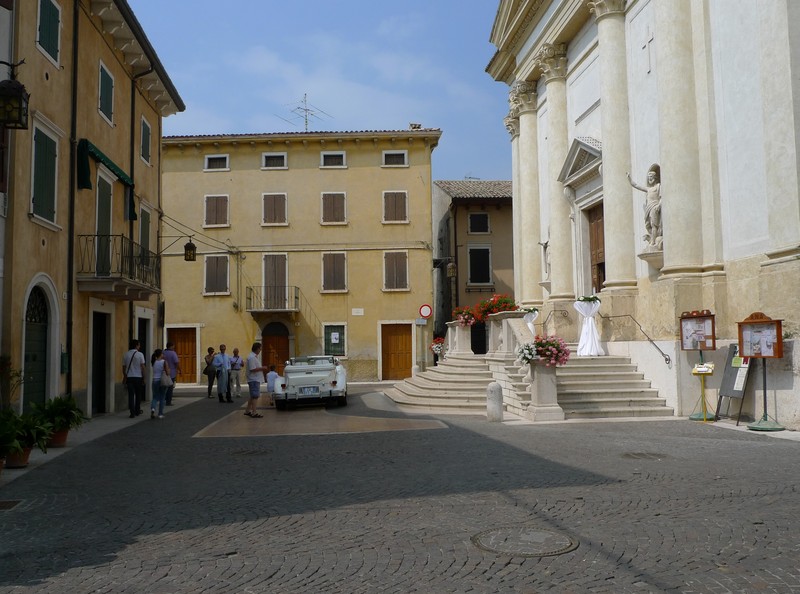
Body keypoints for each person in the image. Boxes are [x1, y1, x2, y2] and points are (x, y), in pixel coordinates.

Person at [627, 164, 662, 250]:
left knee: (654, 224)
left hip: (654, 206)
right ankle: (652, 237)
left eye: (651, 177)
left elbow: (661, 197)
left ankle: (653, 241)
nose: (649, 178)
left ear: (655, 177)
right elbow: (635, 185)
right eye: (648, 177)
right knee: (648, 225)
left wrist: (659, 205)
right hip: (648, 208)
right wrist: (629, 179)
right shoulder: (648, 189)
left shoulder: (658, 186)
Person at [122, 339, 146, 419]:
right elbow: (142, 367)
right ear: (136, 345)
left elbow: (124, 367)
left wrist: (125, 376)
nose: (139, 346)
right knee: (138, 395)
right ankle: (137, 410)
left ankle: (132, 413)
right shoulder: (140, 354)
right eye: (139, 345)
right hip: (138, 377)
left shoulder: (126, 354)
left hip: (129, 377)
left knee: (131, 395)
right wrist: (144, 377)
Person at [244, 343, 268, 418]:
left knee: (252, 396)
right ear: (257, 348)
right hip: (253, 379)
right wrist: (262, 368)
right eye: (260, 348)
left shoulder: (253, 357)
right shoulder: (251, 358)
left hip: (255, 379)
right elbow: (252, 369)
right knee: (255, 396)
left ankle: (247, 410)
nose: (260, 350)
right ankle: (254, 412)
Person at [150, 349, 170, 419]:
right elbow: (167, 373)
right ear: (161, 354)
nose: (163, 355)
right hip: (162, 381)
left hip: (154, 381)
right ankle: (160, 413)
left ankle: (153, 409)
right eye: (162, 354)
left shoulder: (154, 362)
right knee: (162, 398)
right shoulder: (164, 362)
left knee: (155, 397)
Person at [163, 341, 181, 406]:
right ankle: (168, 402)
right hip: (172, 372)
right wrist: (180, 370)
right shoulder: (173, 353)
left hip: (164, 372)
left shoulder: (163, 352)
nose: (174, 347)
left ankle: (163, 399)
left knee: (164, 386)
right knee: (170, 387)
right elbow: (176, 362)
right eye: (173, 346)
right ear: (171, 346)